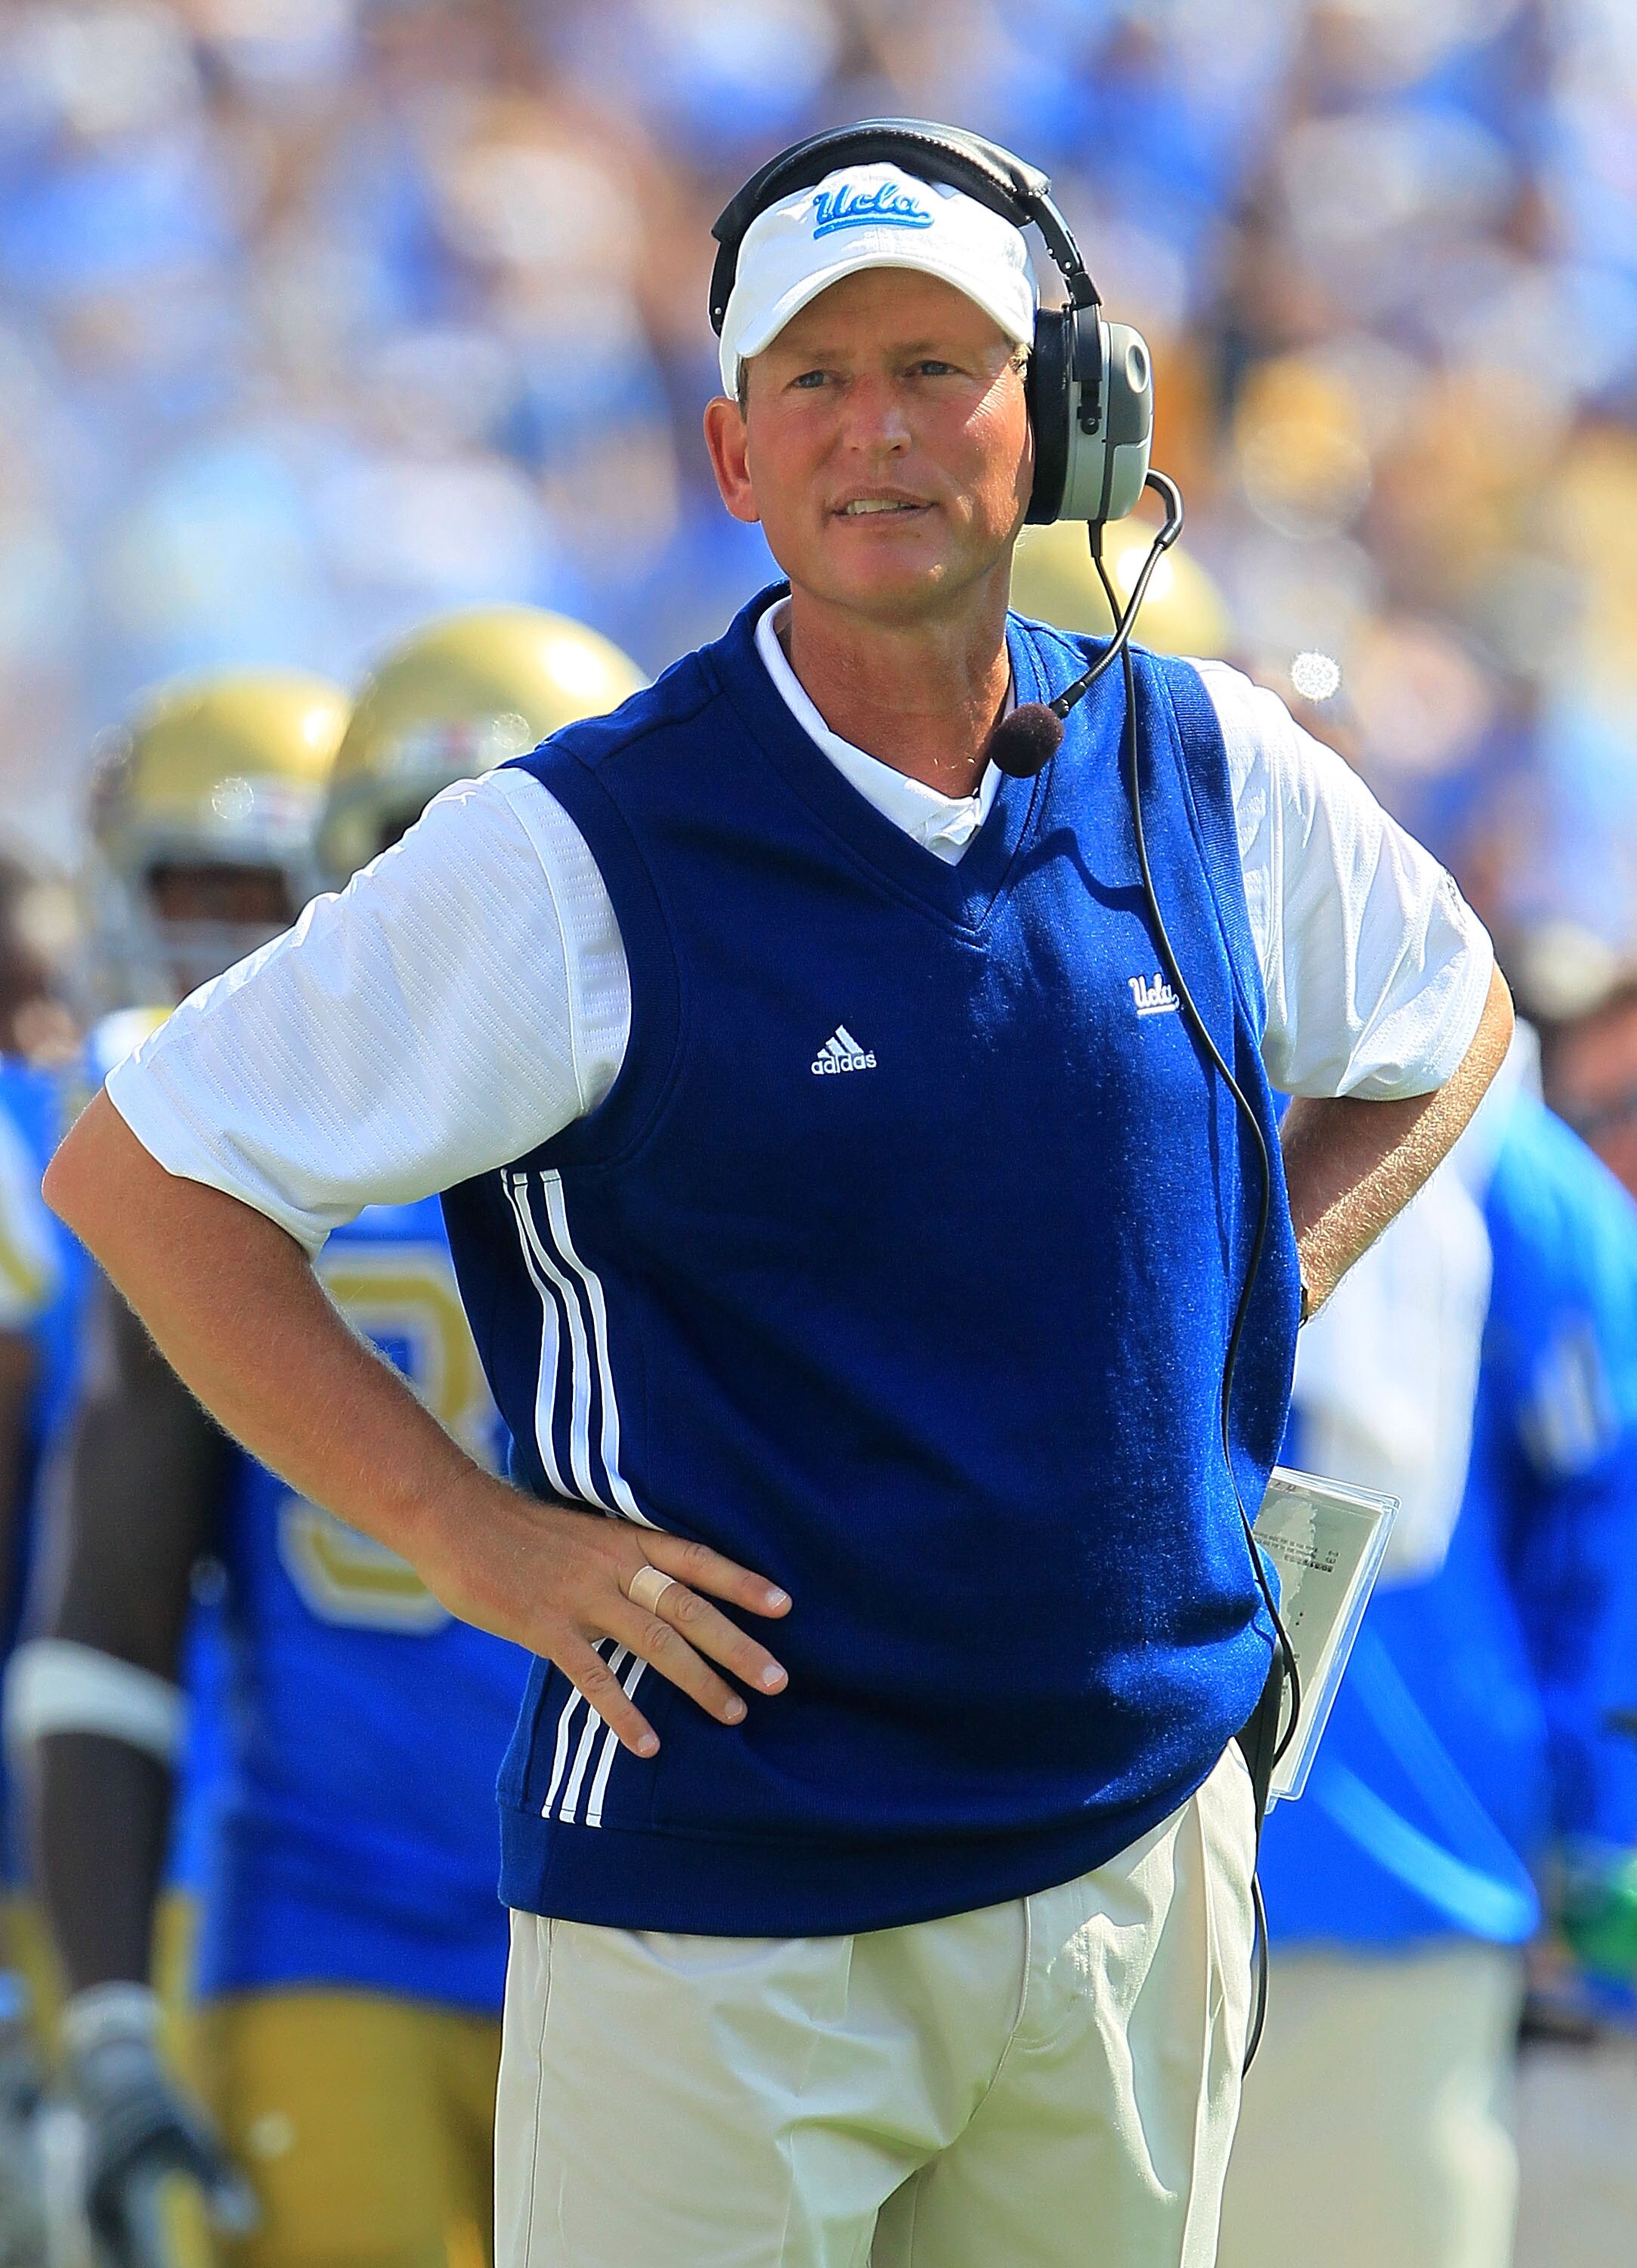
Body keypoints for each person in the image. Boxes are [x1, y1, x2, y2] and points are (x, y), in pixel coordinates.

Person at [42, 123, 1512, 2268]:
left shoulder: (1207, 765)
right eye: (815, 382)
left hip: (1125, 1857)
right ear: (730, 454)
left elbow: (1444, 1012)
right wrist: (472, 1535)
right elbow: (147, 1171)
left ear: (1060, 422)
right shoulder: (573, 848)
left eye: (938, 366)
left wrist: (1239, 1310)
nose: (880, 431)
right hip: (723, 1893)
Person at [8, 630, 639, 2268]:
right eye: (428, 854)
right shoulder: (211, 1151)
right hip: (342, 1925)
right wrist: (111, 2027)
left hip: (668, 1923)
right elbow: (109, 1612)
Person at [1214, 1026, 1637, 2268]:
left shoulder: (1510, 1168)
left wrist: (1607, 1833)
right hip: (1045, 1875)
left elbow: (1609, 1522)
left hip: (1399, 1890)